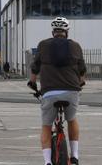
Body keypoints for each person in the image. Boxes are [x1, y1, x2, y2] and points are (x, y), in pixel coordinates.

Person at [28, 16, 86, 165]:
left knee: (46, 126)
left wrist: (32, 83)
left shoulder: (43, 45)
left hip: (49, 92)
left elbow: (35, 68)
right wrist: (81, 82)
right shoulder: (76, 46)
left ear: (53, 31)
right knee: (71, 119)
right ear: (66, 32)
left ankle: (47, 162)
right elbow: (82, 70)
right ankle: (75, 156)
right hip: (71, 91)